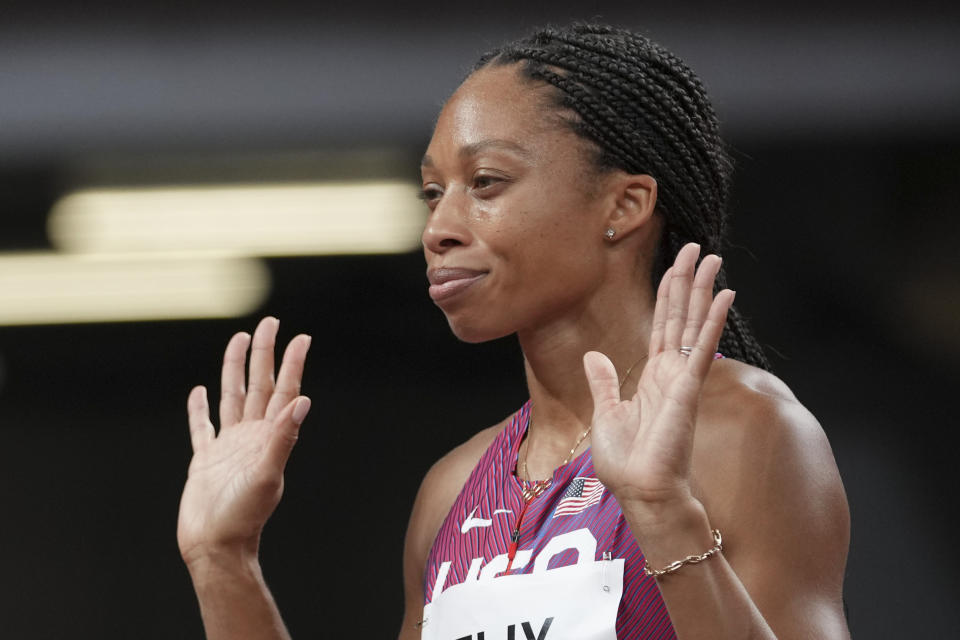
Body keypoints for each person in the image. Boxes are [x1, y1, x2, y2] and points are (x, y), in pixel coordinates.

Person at [177, 24, 851, 639]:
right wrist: (223, 561)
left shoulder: (748, 434)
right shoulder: (454, 488)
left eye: (486, 182)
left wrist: (662, 511)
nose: (438, 228)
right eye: (433, 193)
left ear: (624, 204)